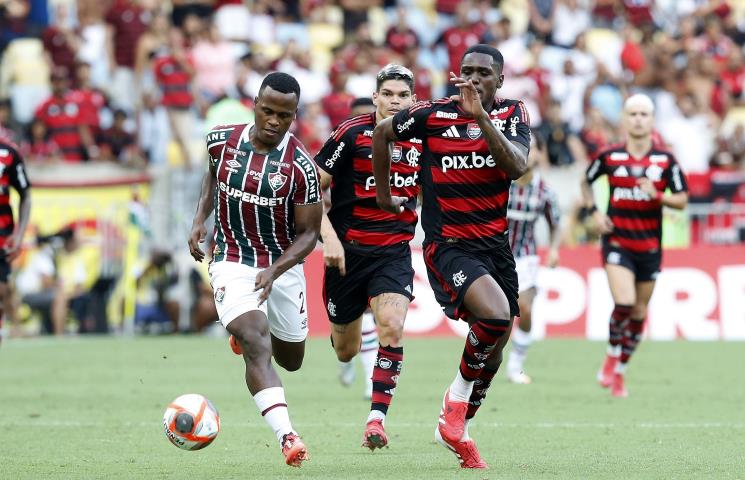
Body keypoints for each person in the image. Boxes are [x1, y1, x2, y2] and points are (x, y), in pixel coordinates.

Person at [372, 44, 530, 469]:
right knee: (495, 317)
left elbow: (515, 166)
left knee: (494, 351)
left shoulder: (513, 114)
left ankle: (459, 422)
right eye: (466, 71)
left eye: (483, 72)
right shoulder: (431, 114)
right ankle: (453, 407)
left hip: (496, 246)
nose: (473, 79)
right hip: (449, 245)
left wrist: (480, 117)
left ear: (500, 80)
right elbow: (383, 132)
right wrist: (385, 195)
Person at [188, 72, 322, 467]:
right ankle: (288, 437)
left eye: (285, 115)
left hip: (280, 266)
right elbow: (213, 180)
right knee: (255, 341)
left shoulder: (301, 167)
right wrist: (200, 219)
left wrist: (277, 270)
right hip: (231, 258)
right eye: (268, 111)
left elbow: (309, 234)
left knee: (291, 358)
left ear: (294, 115)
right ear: (255, 105)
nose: (275, 121)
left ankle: (246, 333)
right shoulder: (220, 141)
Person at [314, 64, 422, 450]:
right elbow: (311, 190)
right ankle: (349, 330)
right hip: (345, 256)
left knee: (392, 324)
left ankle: (376, 420)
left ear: (414, 99)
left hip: (392, 252)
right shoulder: (351, 134)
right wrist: (328, 238)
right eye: (388, 94)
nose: (395, 101)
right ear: (375, 97)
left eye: (403, 95)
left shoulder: (423, 139)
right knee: (346, 351)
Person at [581, 94, 688, 398]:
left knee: (640, 314)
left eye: (644, 114)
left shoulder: (665, 160)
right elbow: (585, 182)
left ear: (652, 120)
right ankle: (612, 354)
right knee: (625, 302)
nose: (638, 119)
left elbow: (681, 199)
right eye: (633, 114)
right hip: (618, 242)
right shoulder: (609, 156)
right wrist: (595, 213)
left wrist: (658, 195)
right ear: (625, 120)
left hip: (650, 247)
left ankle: (620, 372)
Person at [505, 132, 561, 384]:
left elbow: (555, 223)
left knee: (525, 309)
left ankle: (516, 364)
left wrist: (554, 249)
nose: (529, 153)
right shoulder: (501, 180)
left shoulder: (544, 191)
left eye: (534, 148)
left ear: (539, 154)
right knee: (498, 316)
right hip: (494, 254)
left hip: (525, 256)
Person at [0, 134, 31, 345]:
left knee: (2, 289)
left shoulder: (9, 153)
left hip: (2, 234)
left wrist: (19, 235)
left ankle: (9, 326)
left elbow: (25, 195)